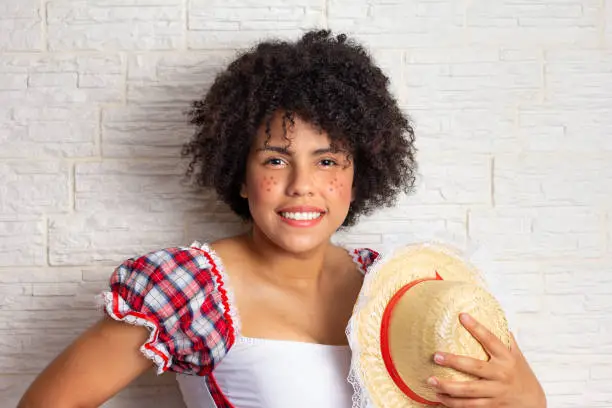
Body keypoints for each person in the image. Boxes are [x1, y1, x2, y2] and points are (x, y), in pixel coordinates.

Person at [18, 29, 546, 408]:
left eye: (327, 160)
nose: (302, 185)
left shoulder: (397, 286)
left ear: (357, 175)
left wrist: (516, 394)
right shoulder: (191, 287)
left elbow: (525, 399)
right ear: (240, 176)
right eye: (275, 159)